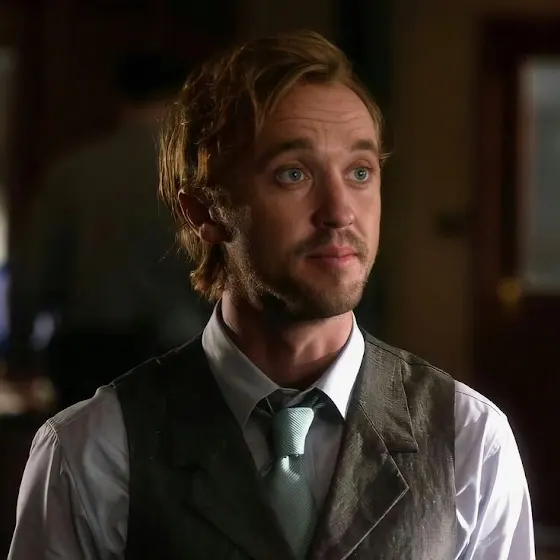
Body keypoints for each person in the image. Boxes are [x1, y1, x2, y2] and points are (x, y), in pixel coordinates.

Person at [8, 31, 535, 559]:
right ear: (205, 210)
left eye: (359, 172)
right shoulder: (92, 451)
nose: (340, 212)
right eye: (293, 174)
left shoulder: (467, 438)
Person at [7, 52, 210, 410]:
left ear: (121, 99)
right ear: (181, 101)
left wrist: (21, 356)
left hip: (89, 356)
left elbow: (30, 275)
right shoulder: (198, 175)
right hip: (181, 348)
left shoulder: (74, 173)